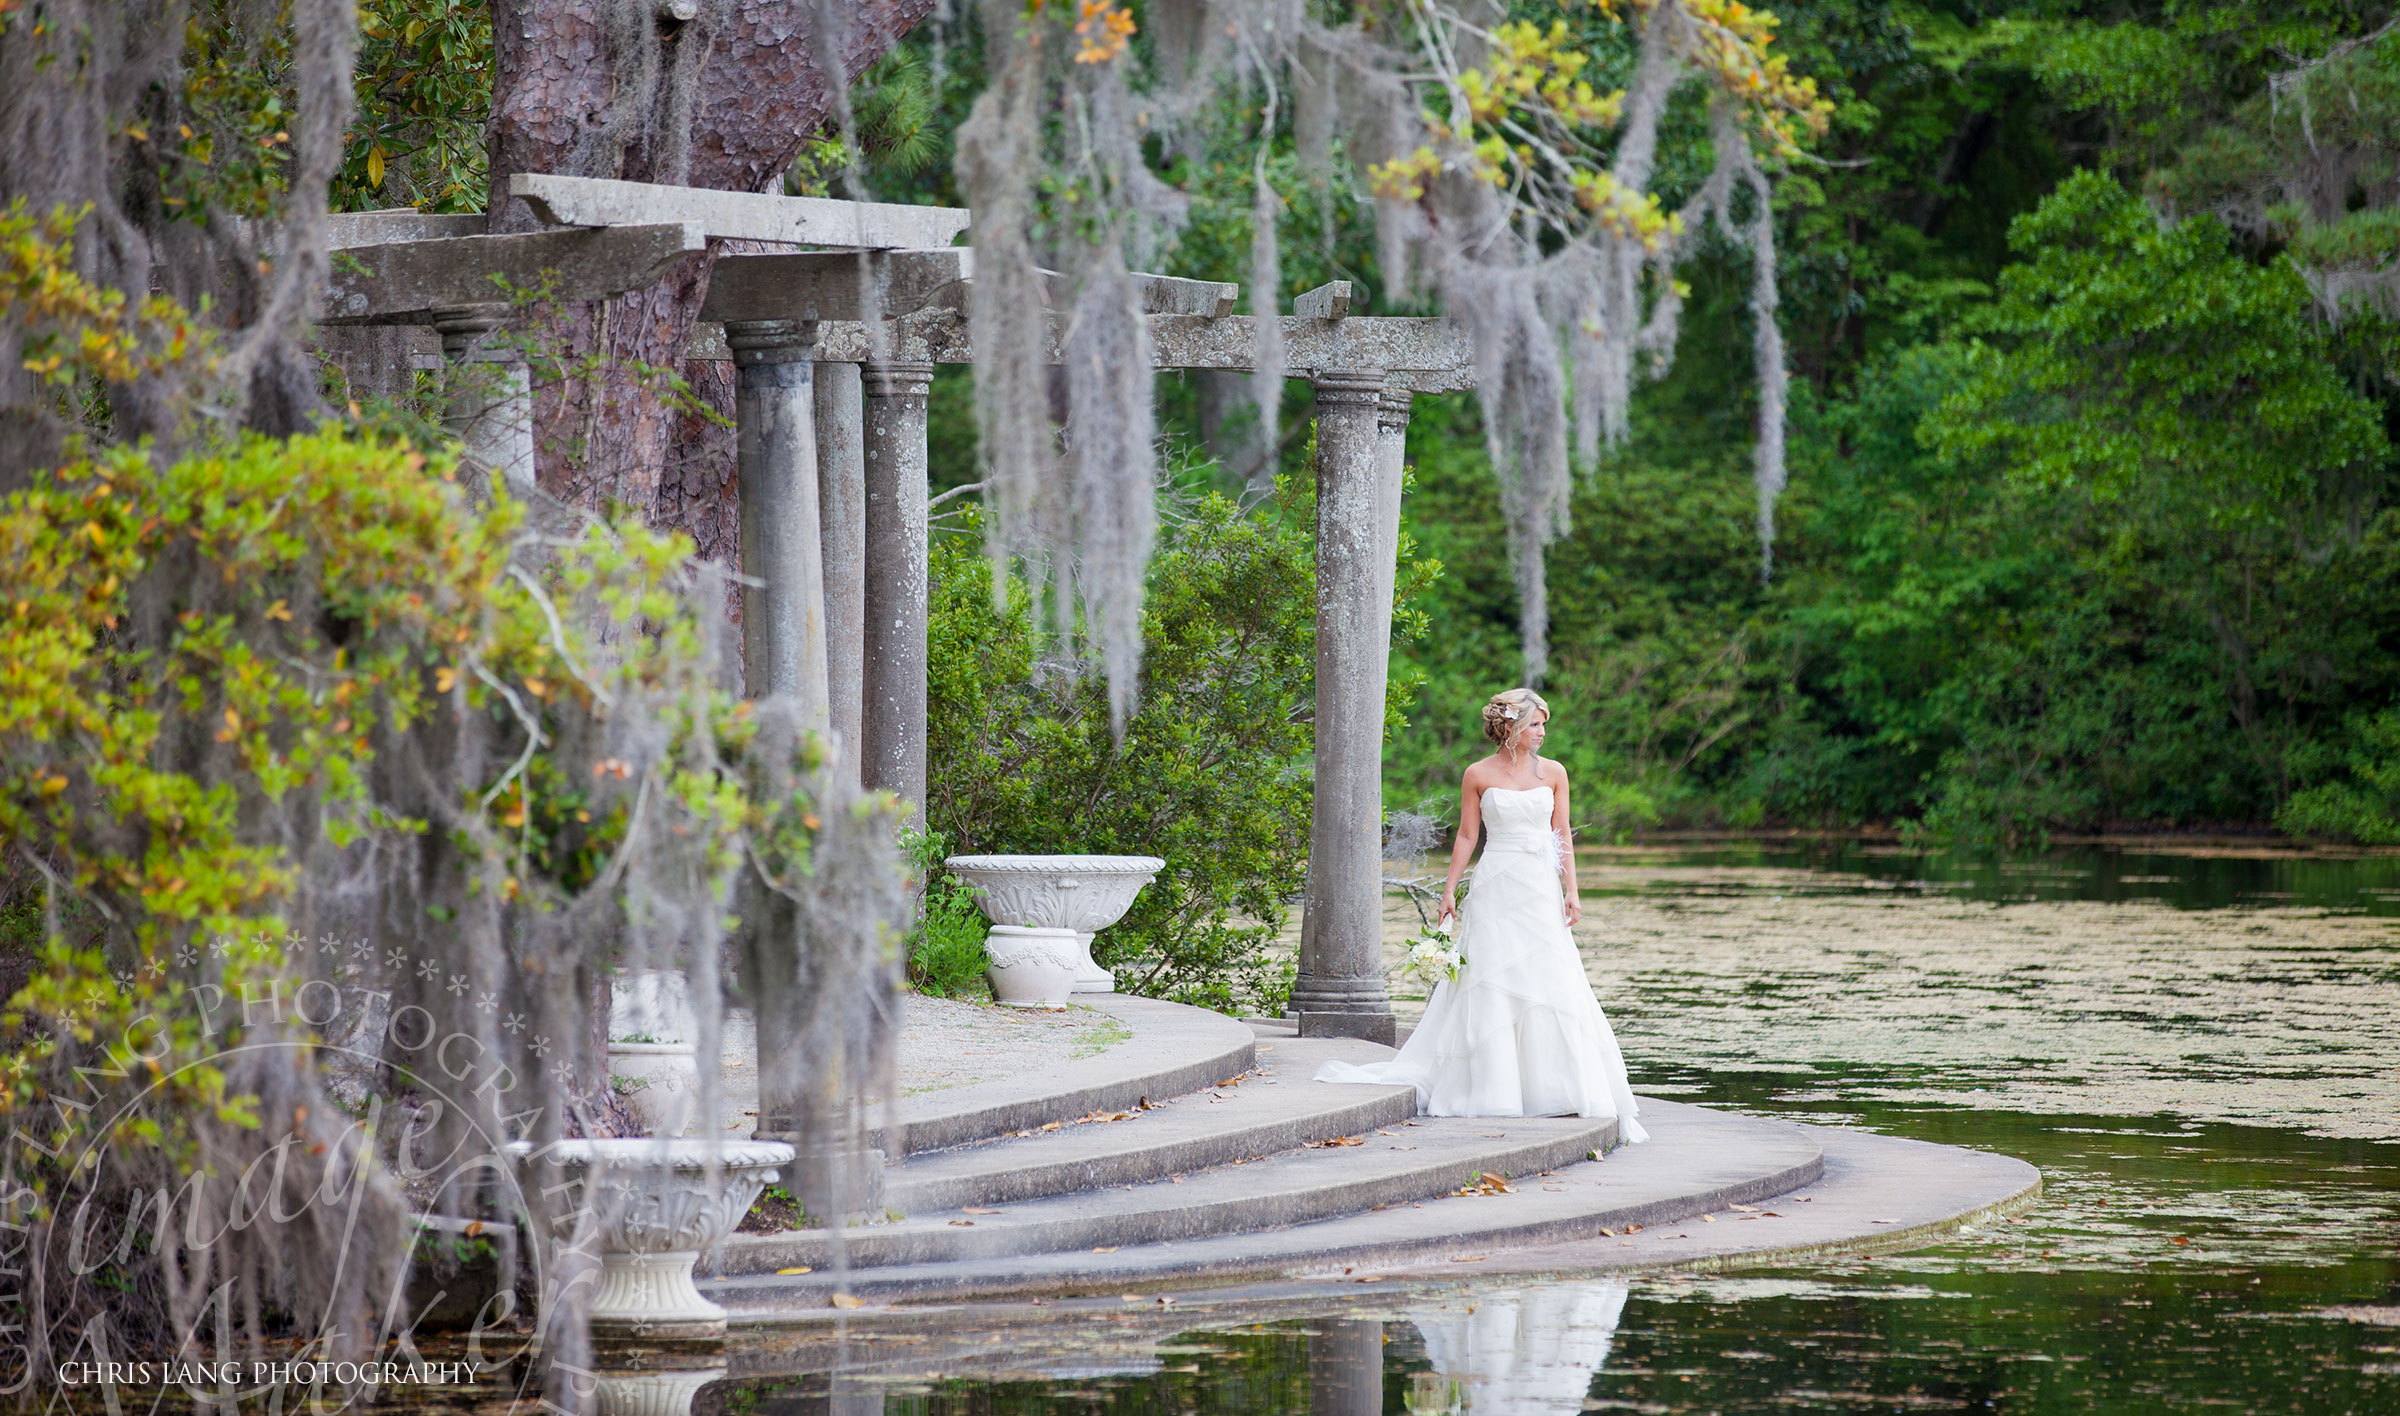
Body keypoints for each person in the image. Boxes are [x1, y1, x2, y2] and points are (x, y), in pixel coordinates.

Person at [1314, 689, 1648, 1137]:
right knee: (1490, 975)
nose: (1543, 732)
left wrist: (1572, 889)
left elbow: (1562, 832)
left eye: (1544, 724)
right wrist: (1449, 890)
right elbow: (1468, 837)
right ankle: (1494, 1086)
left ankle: (1553, 1086)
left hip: (1538, 887)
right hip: (1495, 884)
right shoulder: (1477, 774)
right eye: (1535, 724)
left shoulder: (1555, 773)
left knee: (1548, 974)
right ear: (1511, 727)